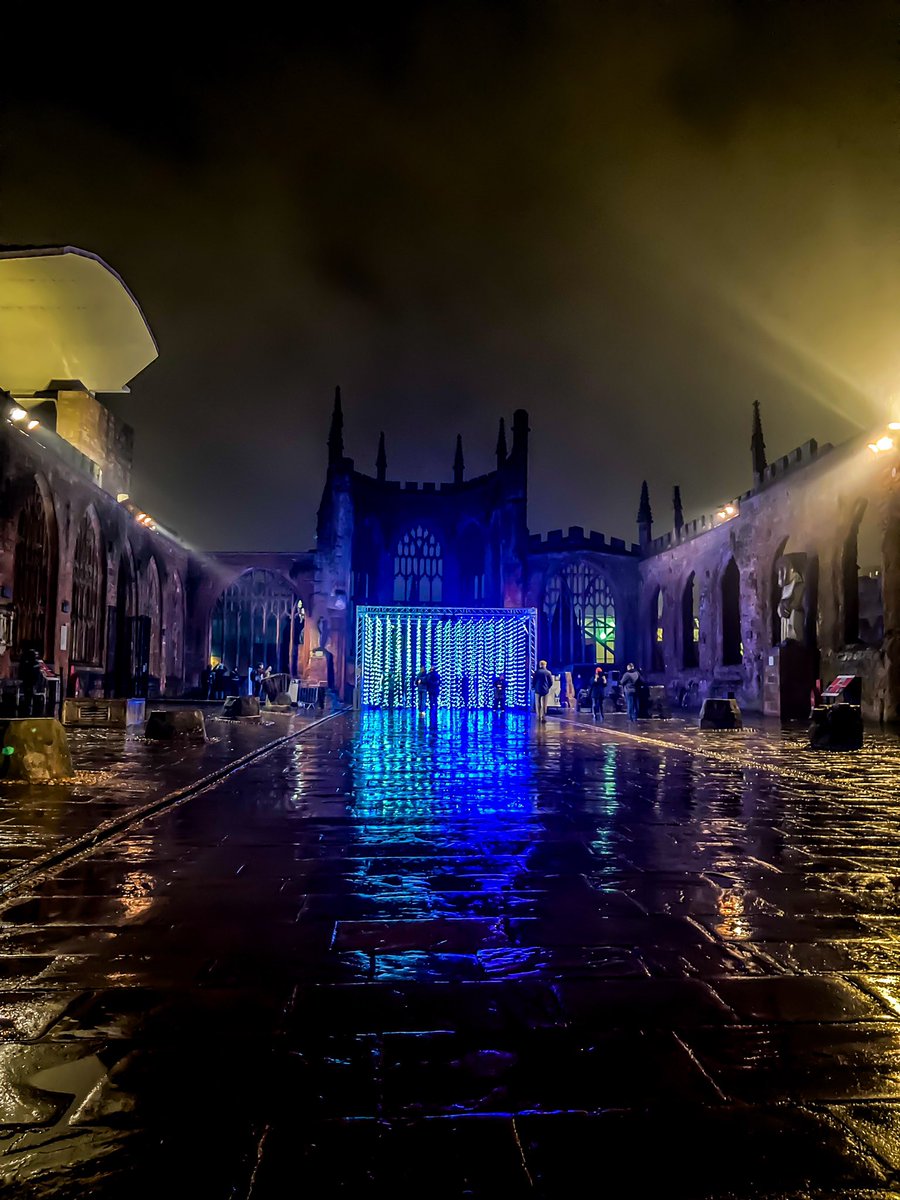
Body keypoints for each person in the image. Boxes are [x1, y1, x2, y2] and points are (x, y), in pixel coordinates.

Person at [19, 647, 44, 717]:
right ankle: (31, 710)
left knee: (28, 697)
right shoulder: (35, 663)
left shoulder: (26, 662)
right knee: (30, 696)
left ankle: (29, 709)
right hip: (32, 682)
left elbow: (22, 672)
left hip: (29, 682)